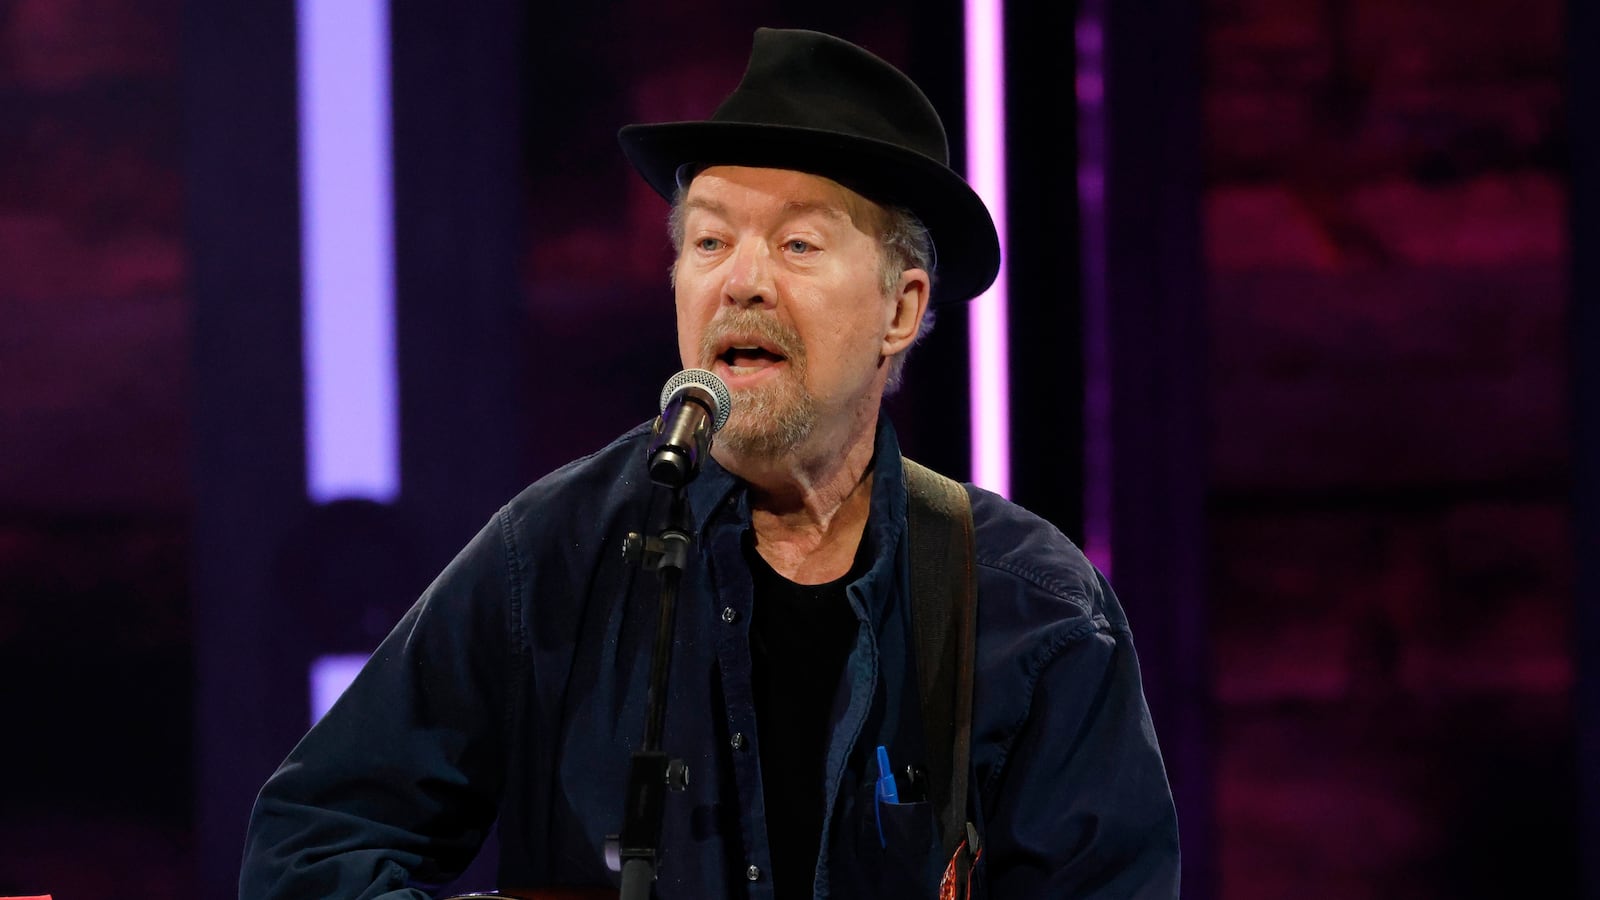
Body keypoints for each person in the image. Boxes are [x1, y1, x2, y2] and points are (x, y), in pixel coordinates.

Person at [240, 27, 1179, 900]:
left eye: (799, 243)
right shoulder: (556, 550)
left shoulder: (1035, 608)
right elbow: (312, 843)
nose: (742, 278)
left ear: (900, 310)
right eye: (710, 241)